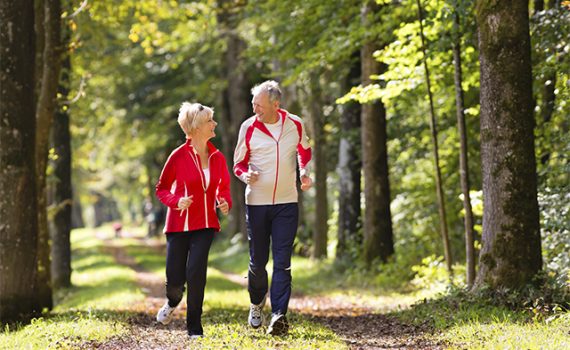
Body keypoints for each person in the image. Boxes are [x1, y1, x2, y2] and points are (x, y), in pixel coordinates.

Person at [233, 80, 313, 336]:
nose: (254, 107)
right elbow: (238, 164)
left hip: (287, 203)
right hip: (256, 203)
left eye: (259, 104)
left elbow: (305, 150)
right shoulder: (248, 127)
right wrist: (246, 176)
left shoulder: (295, 123)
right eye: (253, 103)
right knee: (258, 262)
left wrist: (305, 172)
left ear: (275, 105)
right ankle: (257, 304)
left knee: (283, 261)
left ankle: (279, 314)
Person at [155, 102, 232, 339]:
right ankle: (172, 301)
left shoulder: (217, 157)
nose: (214, 124)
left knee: (196, 272)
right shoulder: (178, 156)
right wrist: (176, 201)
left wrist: (224, 201)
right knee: (175, 280)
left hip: (206, 223)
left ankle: (194, 328)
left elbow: (224, 187)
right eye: (210, 120)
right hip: (178, 225)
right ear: (197, 127)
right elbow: (162, 188)